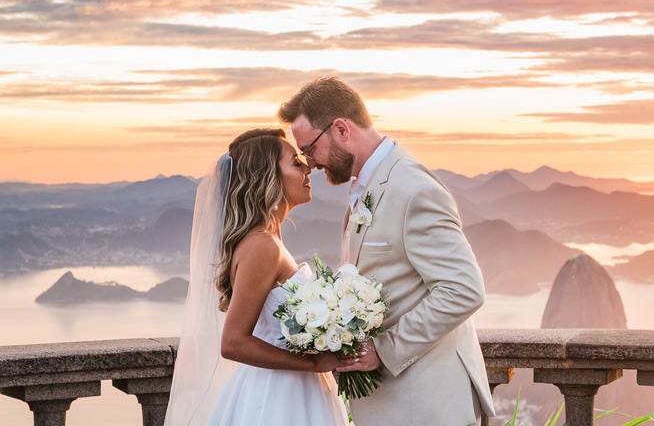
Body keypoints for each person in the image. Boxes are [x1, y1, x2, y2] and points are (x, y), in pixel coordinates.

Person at [279, 77, 495, 425]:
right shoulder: (365, 187)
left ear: (341, 129)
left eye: (310, 149)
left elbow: (463, 289)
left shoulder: (413, 189)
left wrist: (384, 348)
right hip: (395, 402)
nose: (310, 164)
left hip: (426, 402)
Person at [165, 128, 350, 426]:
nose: (308, 168)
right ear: (267, 177)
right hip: (278, 398)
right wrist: (313, 362)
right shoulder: (262, 245)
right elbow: (234, 342)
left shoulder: (268, 240)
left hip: (291, 389)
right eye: (295, 162)